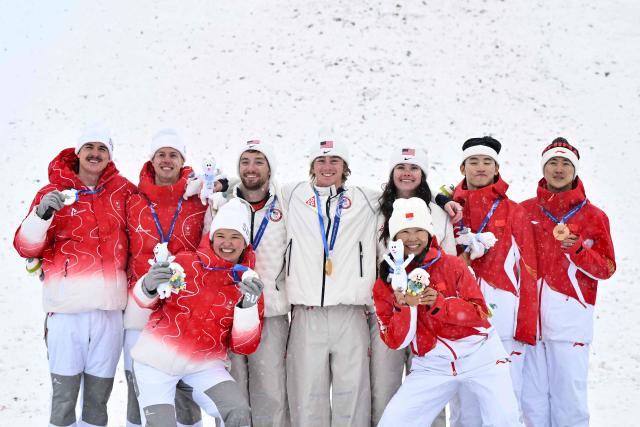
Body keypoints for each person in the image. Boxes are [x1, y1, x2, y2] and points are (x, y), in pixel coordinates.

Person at [13, 122, 136, 427]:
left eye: (102, 149)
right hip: (66, 314)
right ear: (78, 152)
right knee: (64, 399)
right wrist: (41, 215)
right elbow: (25, 246)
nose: (95, 154)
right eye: (89, 148)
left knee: (98, 401)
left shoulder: (123, 191)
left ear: (110, 155)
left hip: (109, 314)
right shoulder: (53, 192)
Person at [374, 197, 522, 427]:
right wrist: (404, 306)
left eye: (418, 231)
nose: (412, 238)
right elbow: (395, 341)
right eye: (405, 232)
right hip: (432, 365)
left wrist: (441, 305)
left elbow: (480, 313)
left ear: (429, 232)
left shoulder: (451, 265)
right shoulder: (386, 282)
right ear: (394, 238)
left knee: (505, 420)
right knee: (393, 423)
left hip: (481, 357)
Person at [130, 198, 265, 427]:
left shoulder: (248, 283)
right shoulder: (183, 263)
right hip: (155, 362)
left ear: (245, 243)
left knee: (238, 412)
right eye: (221, 235)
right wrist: (149, 284)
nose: (227, 244)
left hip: (205, 366)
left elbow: (244, 346)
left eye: (235, 237)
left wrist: (248, 306)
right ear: (211, 237)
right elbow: (143, 301)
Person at [124, 129, 223, 427]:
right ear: (151, 160)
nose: (167, 160)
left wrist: (221, 184)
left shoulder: (198, 197)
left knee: (184, 388)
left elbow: (227, 208)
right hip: (140, 307)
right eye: (161, 154)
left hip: (184, 308)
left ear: (183, 160)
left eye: (173, 155)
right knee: (137, 386)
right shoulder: (132, 199)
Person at [281, 135, 379, 426]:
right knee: (308, 394)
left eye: (334, 160)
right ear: (311, 164)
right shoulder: (291, 194)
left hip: (350, 312)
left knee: (353, 394)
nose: (327, 166)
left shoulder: (366, 198)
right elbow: (251, 184)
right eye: (320, 160)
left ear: (345, 165)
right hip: (306, 312)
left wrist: (442, 200)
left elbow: (405, 189)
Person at [520, 138, 616, 427]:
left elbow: (607, 268)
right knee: (532, 399)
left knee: (569, 400)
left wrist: (577, 251)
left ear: (575, 170)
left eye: (565, 163)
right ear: (543, 167)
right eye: (553, 162)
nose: (559, 169)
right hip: (530, 322)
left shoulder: (594, 216)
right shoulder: (524, 211)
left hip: (570, 319)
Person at [449, 137, 538, 425]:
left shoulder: (514, 211)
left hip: (505, 320)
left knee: (506, 399)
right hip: (460, 321)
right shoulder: (449, 209)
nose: (480, 168)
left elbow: (529, 270)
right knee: (466, 404)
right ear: (463, 167)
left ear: (497, 167)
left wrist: (525, 324)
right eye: (473, 161)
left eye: (487, 162)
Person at [204, 138, 290, 427]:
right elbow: (206, 249)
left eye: (258, 161)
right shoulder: (221, 203)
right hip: (226, 313)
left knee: (271, 392)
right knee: (232, 392)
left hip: (271, 313)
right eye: (245, 161)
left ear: (270, 168)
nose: (251, 169)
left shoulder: (284, 207)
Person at [369, 144, 456, 426]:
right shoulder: (377, 211)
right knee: (385, 385)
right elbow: (370, 258)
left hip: (428, 313)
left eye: (414, 168)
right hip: (388, 312)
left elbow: (449, 263)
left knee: (429, 387)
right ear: (392, 172)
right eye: (401, 167)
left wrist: (438, 302)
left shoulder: (439, 212)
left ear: (423, 173)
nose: (407, 173)